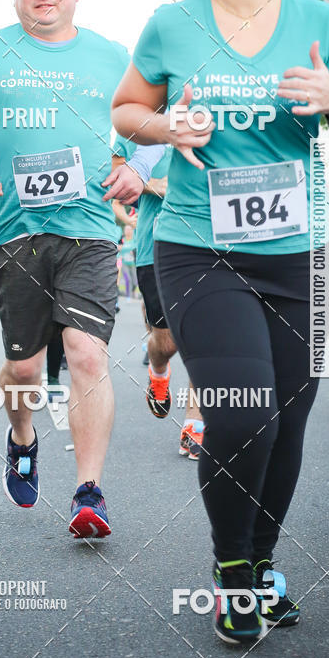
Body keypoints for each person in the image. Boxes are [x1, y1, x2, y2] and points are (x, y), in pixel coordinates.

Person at [112, 0, 329, 643]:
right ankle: (232, 573)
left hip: (299, 253)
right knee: (243, 415)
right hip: (202, 249)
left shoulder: (317, 20)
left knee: (289, 425)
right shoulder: (172, 24)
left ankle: (262, 566)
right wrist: (169, 129)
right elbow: (127, 108)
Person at [0, 0, 159, 538]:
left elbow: (150, 122)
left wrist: (137, 171)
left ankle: (88, 491)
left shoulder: (111, 56)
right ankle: (22, 437)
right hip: (14, 233)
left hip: (90, 230)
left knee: (87, 354)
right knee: (23, 371)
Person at [132, 143, 205, 455]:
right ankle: (158, 371)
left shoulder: (213, 121)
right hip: (154, 250)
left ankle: (195, 425)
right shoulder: (140, 129)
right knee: (167, 343)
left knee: (203, 338)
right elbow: (110, 176)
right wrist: (151, 185)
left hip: (203, 247)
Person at [119, 223, 138, 298]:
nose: (128, 231)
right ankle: (128, 296)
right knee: (128, 279)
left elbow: (136, 247)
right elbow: (118, 248)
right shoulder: (122, 239)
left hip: (133, 264)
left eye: (129, 230)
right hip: (124, 263)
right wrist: (128, 249)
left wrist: (126, 249)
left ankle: (133, 292)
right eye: (126, 229)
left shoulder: (134, 239)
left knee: (135, 282)